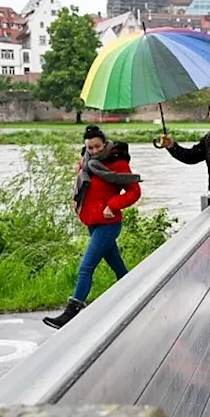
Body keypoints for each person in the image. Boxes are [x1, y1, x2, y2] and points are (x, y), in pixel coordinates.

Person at [44, 125, 142, 329]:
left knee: (86, 267)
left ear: (105, 143)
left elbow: (134, 191)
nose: (95, 151)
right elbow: (81, 184)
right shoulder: (85, 161)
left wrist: (113, 205)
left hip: (109, 223)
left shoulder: (117, 161)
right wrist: (76, 199)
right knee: (118, 267)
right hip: (92, 222)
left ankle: (71, 312)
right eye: (90, 148)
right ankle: (137, 295)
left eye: (98, 147)